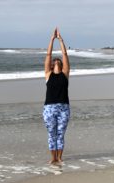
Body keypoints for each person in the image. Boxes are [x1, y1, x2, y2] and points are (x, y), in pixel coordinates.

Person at [43, 28, 70, 164]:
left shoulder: (65, 74)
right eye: (55, 60)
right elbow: (48, 55)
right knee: (51, 134)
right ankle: (53, 158)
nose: (57, 61)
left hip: (64, 108)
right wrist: (51, 39)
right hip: (49, 108)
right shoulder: (48, 74)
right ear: (53, 64)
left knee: (60, 134)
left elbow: (65, 55)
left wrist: (61, 40)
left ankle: (59, 158)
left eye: (59, 60)